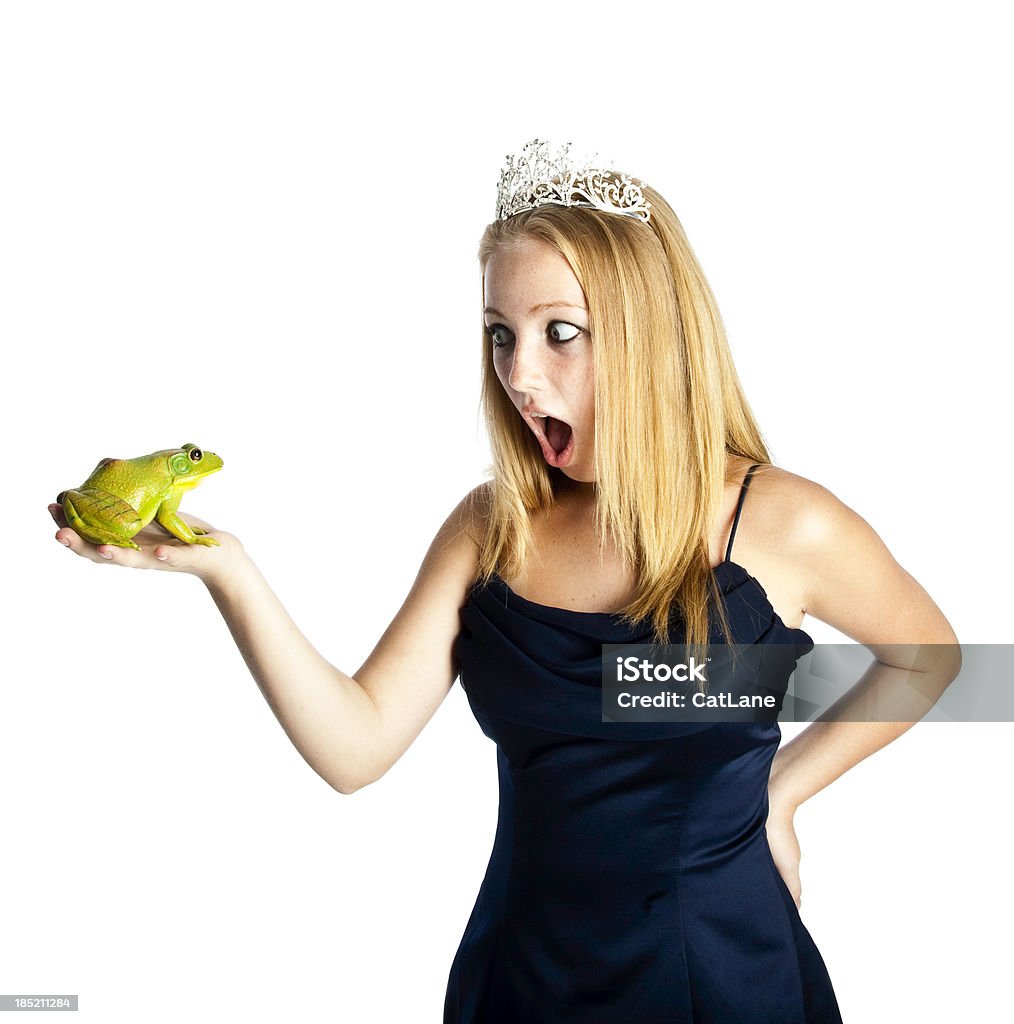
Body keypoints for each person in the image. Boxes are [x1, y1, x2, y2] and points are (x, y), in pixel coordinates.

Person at [50, 138, 960, 1022]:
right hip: (521, 976)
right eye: (499, 335)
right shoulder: (491, 526)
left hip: (717, 971)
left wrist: (782, 794)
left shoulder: (782, 522)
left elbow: (933, 661)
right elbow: (355, 750)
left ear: (653, 336)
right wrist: (230, 573)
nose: (520, 376)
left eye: (560, 333)